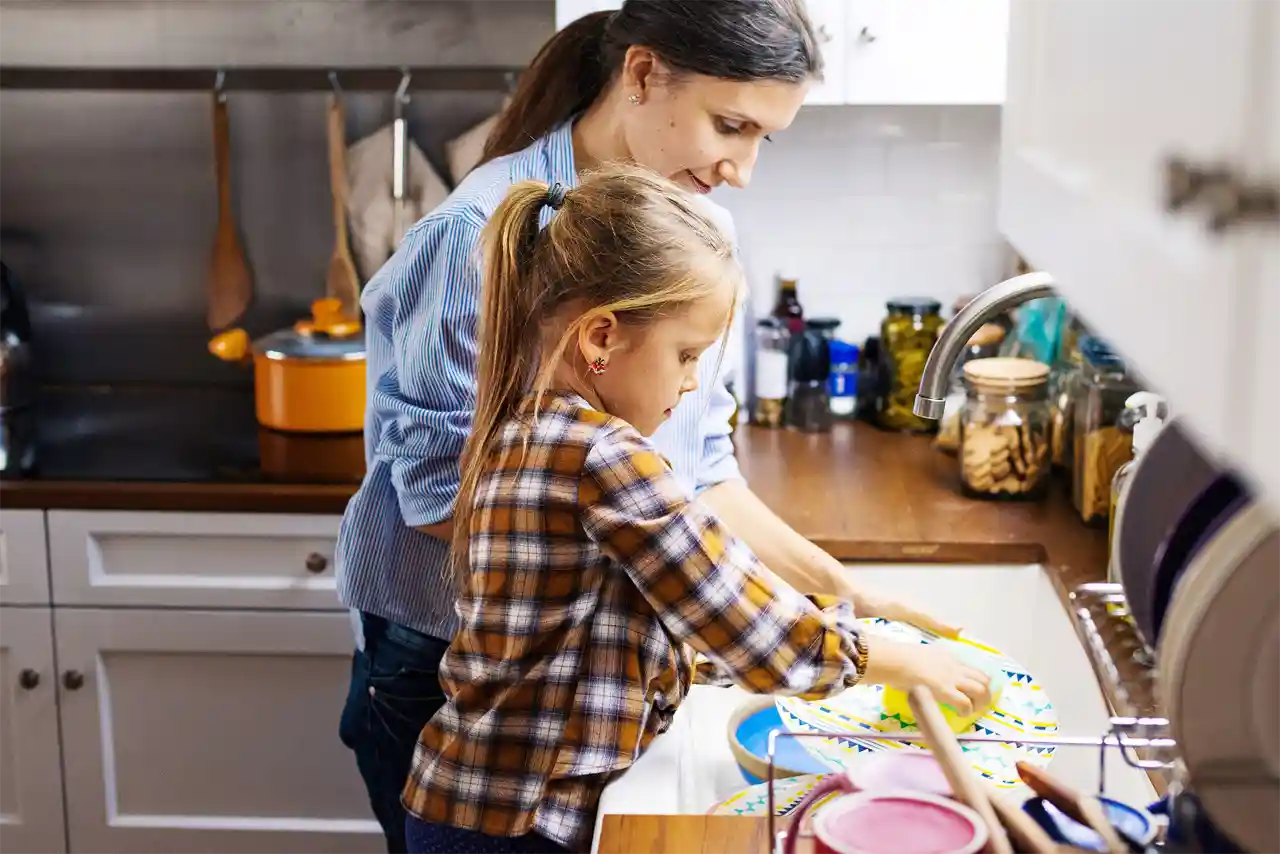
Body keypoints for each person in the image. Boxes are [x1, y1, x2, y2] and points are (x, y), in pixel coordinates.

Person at [336, 2, 963, 851]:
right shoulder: (471, 239)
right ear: (640, 75)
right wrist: (712, 602)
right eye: (729, 125)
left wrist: (838, 590)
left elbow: (700, 472)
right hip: (451, 675)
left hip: (582, 687)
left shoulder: (693, 235)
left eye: (762, 140)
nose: (740, 167)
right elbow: (449, 503)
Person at [400, 167, 993, 854]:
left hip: (474, 807)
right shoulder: (601, 457)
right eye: (686, 355)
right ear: (600, 339)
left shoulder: (529, 428)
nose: (689, 384)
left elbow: (635, 638)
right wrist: (900, 662)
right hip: (516, 826)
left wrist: (838, 622)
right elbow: (742, 620)